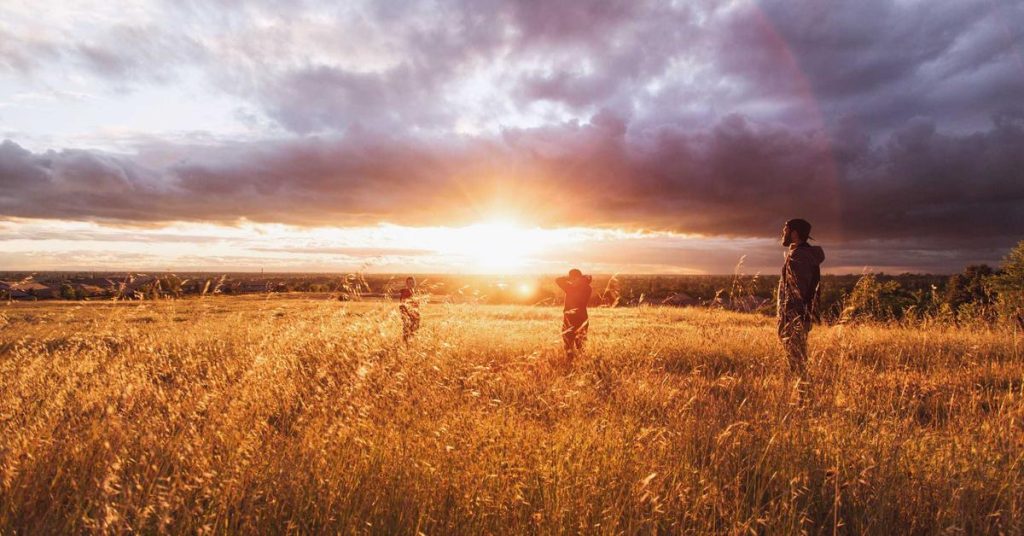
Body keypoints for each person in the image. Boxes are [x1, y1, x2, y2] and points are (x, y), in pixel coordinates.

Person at [777, 218, 825, 379]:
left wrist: (790, 317)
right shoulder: (799, 253)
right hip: (797, 316)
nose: (783, 233)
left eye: (786, 230)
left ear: (795, 233)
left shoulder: (801, 256)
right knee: (796, 358)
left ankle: (802, 393)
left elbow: (799, 291)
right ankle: (800, 390)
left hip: (795, 316)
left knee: (796, 360)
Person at [555, 269, 593, 361]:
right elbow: (558, 280)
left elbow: (558, 280)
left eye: (573, 278)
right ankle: (575, 361)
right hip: (580, 317)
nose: (572, 280)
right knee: (573, 343)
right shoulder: (586, 287)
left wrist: (571, 279)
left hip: (574, 318)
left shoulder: (570, 288)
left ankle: (576, 362)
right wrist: (581, 278)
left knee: (577, 343)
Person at [398, 276, 420, 343]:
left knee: (413, 334)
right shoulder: (406, 292)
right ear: (406, 284)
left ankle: (409, 348)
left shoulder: (414, 292)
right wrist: (407, 317)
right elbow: (402, 306)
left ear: (415, 283)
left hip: (415, 317)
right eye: (410, 283)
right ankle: (406, 349)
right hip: (409, 317)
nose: (412, 284)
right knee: (407, 334)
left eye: (413, 282)